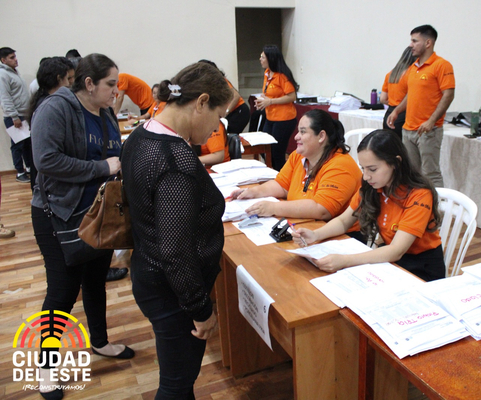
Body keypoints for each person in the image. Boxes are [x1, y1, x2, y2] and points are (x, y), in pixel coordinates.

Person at [121, 61, 231, 399]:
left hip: (150, 275)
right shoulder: (175, 160)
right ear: (200, 102)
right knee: (176, 383)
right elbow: (175, 251)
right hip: (173, 292)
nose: (216, 127)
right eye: (217, 116)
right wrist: (201, 310)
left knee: (178, 380)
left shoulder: (142, 135)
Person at [31, 53, 134, 399]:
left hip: (97, 213)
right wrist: (102, 169)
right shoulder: (55, 108)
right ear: (89, 84)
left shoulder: (104, 113)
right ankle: (45, 368)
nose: (116, 91)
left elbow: (113, 155)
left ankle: (100, 342)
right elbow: (46, 160)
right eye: (110, 84)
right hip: (57, 214)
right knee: (62, 293)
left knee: (95, 281)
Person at [292, 130, 445, 282]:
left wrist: (345, 260)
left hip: (421, 267)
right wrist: (316, 235)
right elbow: (344, 221)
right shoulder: (372, 186)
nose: (366, 176)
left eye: (372, 169)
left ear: (396, 163)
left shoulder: (419, 194)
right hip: (390, 259)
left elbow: (397, 250)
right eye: (363, 168)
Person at [232, 109, 361, 222]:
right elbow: (282, 186)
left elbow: (322, 209)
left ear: (321, 136)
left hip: (340, 236)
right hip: (304, 225)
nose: (296, 137)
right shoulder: (298, 156)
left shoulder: (340, 165)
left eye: (303, 132)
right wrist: (253, 192)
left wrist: (272, 207)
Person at [386, 25, 455, 187]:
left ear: (428, 43)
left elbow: (449, 95)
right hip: (408, 129)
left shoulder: (441, 65)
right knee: (412, 173)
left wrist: (431, 121)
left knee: (431, 173)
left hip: (428, 130)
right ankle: (417, 208)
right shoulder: (413, 67)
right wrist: (397, 110)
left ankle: (436, 210)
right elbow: (411, 94)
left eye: (415, 41)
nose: (411, 45)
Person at [27, 57, 74, 191]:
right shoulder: (49, 106)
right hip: (48, 183)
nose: (70, 83)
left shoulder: (47, 100)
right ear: (59, 79)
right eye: (68, 78)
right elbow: (48, 159)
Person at [256, 45, 299, 171]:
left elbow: (292, 96)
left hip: (284, 119)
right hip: (271, 117)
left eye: (263, 57)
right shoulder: (267, 73)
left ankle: (282, 178)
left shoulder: (282, 76)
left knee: (277, 152)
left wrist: (270, 101)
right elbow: (268, 93)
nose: (260, 59)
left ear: (271, 59)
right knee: (264, 147)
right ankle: (272, 175)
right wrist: (262, 100)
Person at [0, 47, 32, 183]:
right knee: (17, 145)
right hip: (15, 117)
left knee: (26, 144)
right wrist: (14, 117)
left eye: (15, 56)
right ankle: (20, 172)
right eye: (11, 57)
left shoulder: (14, 73)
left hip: (23, 115)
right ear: (3, 60)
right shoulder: (3, 74)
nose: (15, 59)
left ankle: (29, 168)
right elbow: (5, 97)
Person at [199, 59, 250, 134]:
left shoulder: (221, 81)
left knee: (228, 135)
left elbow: (236, 96)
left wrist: (226, 112)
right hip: (230, 112)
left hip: (239, 111)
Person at [381, 47, 415, 140]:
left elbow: (383, 99)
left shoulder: (391, 74)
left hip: (389, 114)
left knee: (390, 147)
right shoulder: (412, 74)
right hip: (405, 115)